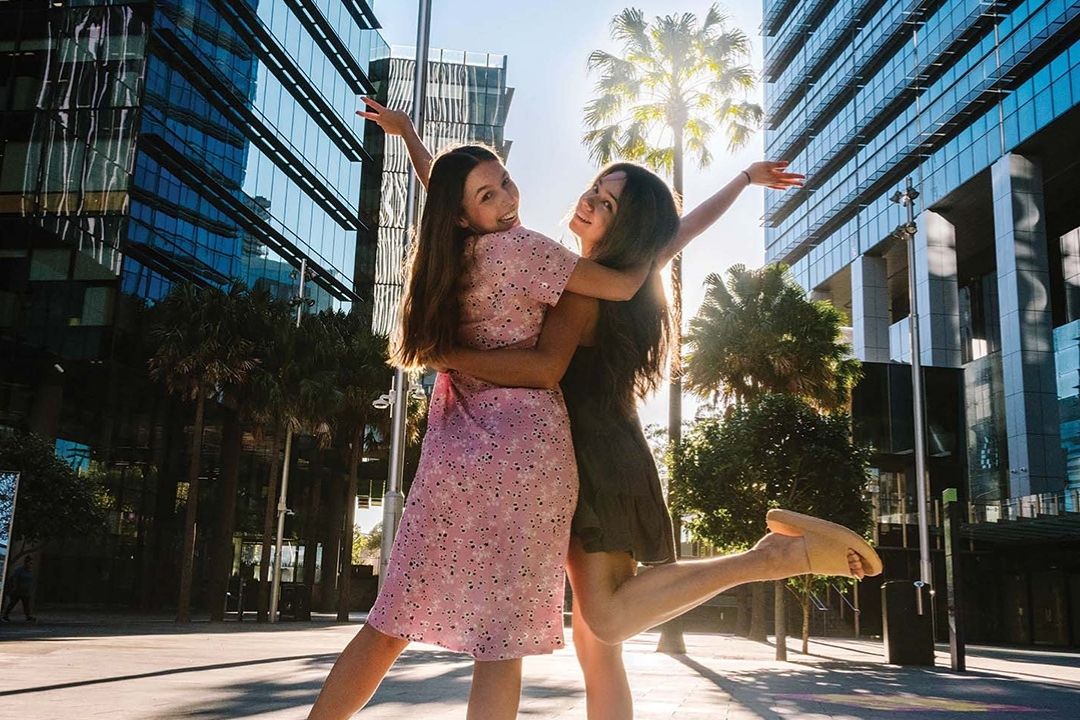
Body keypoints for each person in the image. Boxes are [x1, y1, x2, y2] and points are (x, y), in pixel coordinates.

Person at [3, 555, 37, 622]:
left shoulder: (29, 571)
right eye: (30, 563)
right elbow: (14, 579)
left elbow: (30, 581)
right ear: (26, 563)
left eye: (31, 563)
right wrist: (14, 588)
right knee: (12, 603)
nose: (31, 565)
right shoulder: (19, 570)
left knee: (26, 604)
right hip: (17, 590)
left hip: (25, 591)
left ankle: (28, 617)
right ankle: (5, 615)